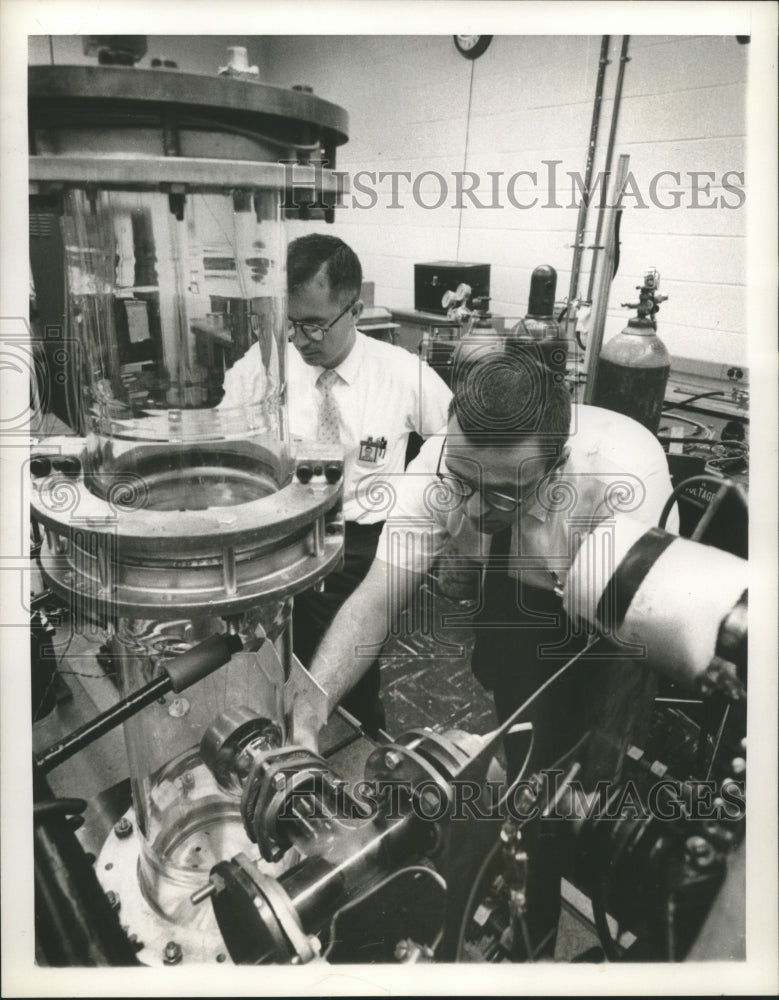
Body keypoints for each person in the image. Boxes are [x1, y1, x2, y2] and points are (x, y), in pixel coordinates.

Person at [293, 336, 680, 956]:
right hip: (513, 608)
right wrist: (309, 708)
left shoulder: (620, 480)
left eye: (501, 491)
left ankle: (537, 931)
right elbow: (376, 599)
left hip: (609, 630)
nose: (471, 508)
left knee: (561, 798)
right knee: (508, 726)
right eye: (462, 480)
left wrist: (561, 772)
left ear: (554, 469)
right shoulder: (445, 466)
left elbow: (617, 658)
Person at [219, 233, 452, 735]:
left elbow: (457, 447)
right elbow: (222, 444)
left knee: (348, 681)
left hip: (356, 547)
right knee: (263, 659)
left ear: (356, 311)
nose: (299, 339)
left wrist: (422, 502)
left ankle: (351, 747)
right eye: (290, 322)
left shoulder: (403, 375)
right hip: (280, 538)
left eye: (314, 326)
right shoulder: (264, 368)